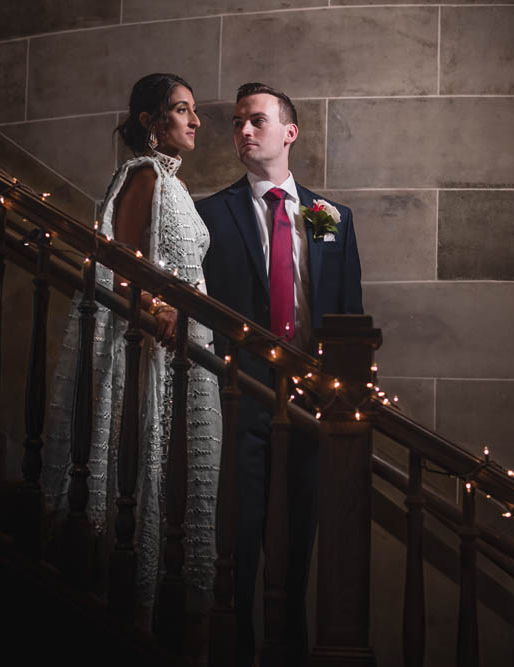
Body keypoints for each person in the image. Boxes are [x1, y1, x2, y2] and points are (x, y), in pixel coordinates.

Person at [41, 73, 222, 625]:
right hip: (150, 344)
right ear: (150, 122)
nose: (195, 121)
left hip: (184, 348)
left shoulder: (177, 184)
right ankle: (129, 604)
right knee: (144, 464)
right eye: (181, 110)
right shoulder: (143, 174)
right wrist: (155, 308)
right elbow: (118, 262)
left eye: (193, 112)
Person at [196, 83, 363, 665]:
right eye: (238, 122)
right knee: (236, 546)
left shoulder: (326, 217)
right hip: (239, 399)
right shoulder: (211, 212)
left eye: (257, 120)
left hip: (312, 408)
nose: (244, 130)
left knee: (297, 551)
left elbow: (343, 312)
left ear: (289, 132)